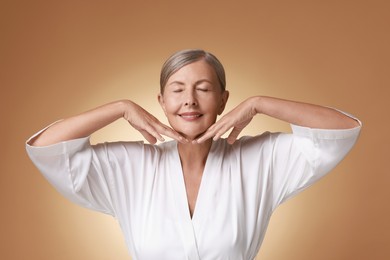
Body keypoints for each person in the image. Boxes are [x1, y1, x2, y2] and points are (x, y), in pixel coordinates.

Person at [26, 49, 361, 259]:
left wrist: (260, 103)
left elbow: (339, 130)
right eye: (177, 90)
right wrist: (119, 108)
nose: (190, 100)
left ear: (224, 100)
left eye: (203, 89)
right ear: (161, 102)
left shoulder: (260, 159)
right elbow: (47, 148)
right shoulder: (131, 165)